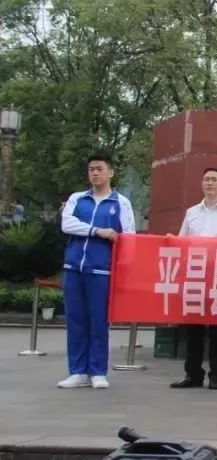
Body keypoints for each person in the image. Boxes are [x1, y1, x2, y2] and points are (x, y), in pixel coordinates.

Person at [57, 153, 136, 389]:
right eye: (91, 169)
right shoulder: (77, 199)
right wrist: (97, 231)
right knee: (75, 320)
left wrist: (125, 270)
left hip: (102, 271)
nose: (95, 173)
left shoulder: (120, 203)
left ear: (110, 172)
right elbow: (66, 224)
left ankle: (98, 371)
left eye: (100, 169)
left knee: (99, 321)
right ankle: (77, 371)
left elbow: (129, 237)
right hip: (74, 269)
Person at [170, 168, 217, 391]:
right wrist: (172, 241)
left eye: (214, 180)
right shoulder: (192, 212)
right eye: (206, 179)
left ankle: (216, 376)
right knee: (193, 329)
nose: (210, 183)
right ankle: (193, 374)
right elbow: (182, 241)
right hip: (195, 275)